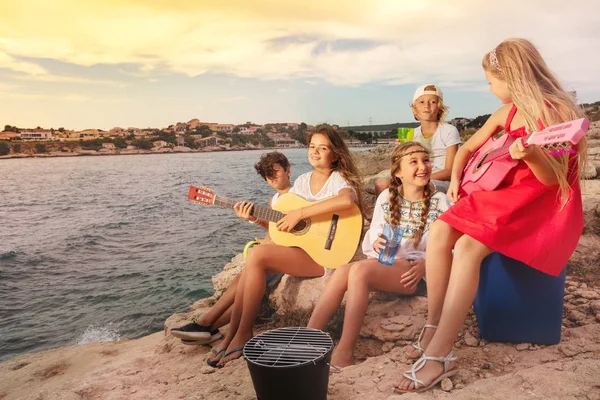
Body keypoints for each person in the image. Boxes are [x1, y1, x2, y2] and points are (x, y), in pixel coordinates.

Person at [394, 38, 587, 393]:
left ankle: (440, 354)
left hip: (536, 204)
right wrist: (455, 178)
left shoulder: (557, 113)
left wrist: (528, 155)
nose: (489, 88)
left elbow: (551, 179)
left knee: (467, 248)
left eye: (491, 81)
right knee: (439, 231)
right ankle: (434, 323)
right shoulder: (506, 113)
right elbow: (468, 147)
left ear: (511, 77)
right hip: (503, 197)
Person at [209, 124, 364, 368]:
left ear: (334, 154)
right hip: (303, 252)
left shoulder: (338, 179)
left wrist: (301, 212)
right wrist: (255, 218)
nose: (315, 152)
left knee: (257, 255)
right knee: (255, 257)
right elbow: (286, 226)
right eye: (312, 147)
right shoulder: (302, 182)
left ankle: (241, 333)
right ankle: (233, 334)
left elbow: (346, 200)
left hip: (325, 256)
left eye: (322, 148)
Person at [307, 141, 452, 370]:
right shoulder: (386, 197)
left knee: (360, 270)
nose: (422, 166)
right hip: (389, 263)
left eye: (425, 161)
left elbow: (452, 245)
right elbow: (374, 231)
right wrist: (376, 241)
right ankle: (309, 337)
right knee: (345, 270)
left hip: (415, 273)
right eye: (413, 162)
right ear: (398, 172)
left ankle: (344, 352)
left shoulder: (440, 202)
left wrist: (426, 265)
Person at [170, 152, 293, 349]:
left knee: (244, 282)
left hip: (292, 255)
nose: (272, 177)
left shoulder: (301, 195)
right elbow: (275, 228)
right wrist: (252, 218)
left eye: (276, 171)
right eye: (267, 175)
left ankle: (205, 325)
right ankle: (207, 327)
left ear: (288, 170)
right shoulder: (274, 200)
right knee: (243, 282)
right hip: (277, 251)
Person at [375, 84, 461, 196]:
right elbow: (402, 165)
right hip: (415, 176)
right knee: (381, 183)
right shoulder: (412, 134)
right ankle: (388, 213)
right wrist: (399, 151)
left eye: (433, 102)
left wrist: (419, 179)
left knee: (418, 186)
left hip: (439, 180)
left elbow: (450, 172)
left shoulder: (449, 130)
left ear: (440, 109)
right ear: (414, 110)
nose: (427, 106)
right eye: (421, 102)